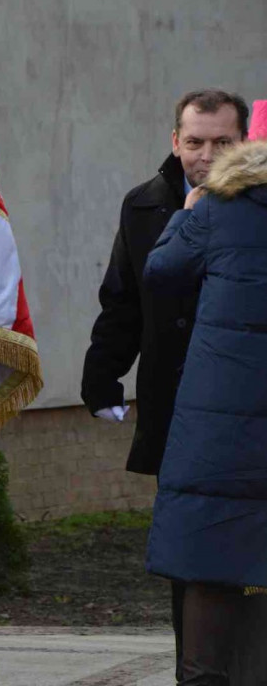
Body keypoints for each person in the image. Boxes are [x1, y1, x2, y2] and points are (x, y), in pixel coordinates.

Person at [80, 89, 247, 678]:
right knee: (186, 545)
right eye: (194, 141)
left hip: (241, 410)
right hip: (174, 406)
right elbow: (123, 299)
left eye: (222, 142)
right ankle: (194, 665)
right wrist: (102, 375)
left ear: (244, 143)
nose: (205, 155)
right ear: (174, 142)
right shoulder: (145, 205)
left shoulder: (254, 210)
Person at [143, 139, 267, 685]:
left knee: (211, 575)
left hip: (216, 439)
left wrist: (185, 216)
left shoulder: (216, 207)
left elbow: (161, 272)